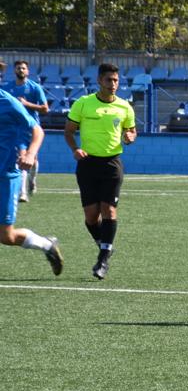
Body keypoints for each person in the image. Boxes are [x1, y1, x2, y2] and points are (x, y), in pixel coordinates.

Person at [64, 62, 136, 280]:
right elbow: (68, 131)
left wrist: (131, 136)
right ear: (99, 81)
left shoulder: (124, 107)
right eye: (108, 80)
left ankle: (103, 258)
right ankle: (105, 245)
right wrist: (75, 149)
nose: (113, 84)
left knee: (109, 210)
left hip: (112, 164)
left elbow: (131, 130)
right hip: (87, 164)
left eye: (116, 80)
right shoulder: (83, 104)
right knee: (91, 216)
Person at [0, 60, 64, 275]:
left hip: (5, 174)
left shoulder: (8, 102)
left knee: (6, 236)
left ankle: (47, 246)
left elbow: (38, 131)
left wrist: (30, 153)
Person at [3, 60, 48, 202]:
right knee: (21, 157)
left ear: (28, 71)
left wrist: (27, 104)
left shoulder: (35, 88)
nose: (21, 70)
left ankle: (32, 180)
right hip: (17, 130)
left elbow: (45, 108)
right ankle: (22, 193)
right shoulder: (7, 88)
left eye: (23, 68)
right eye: (18, 68)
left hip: (32, 128)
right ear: (14, 71)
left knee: (33, 160)